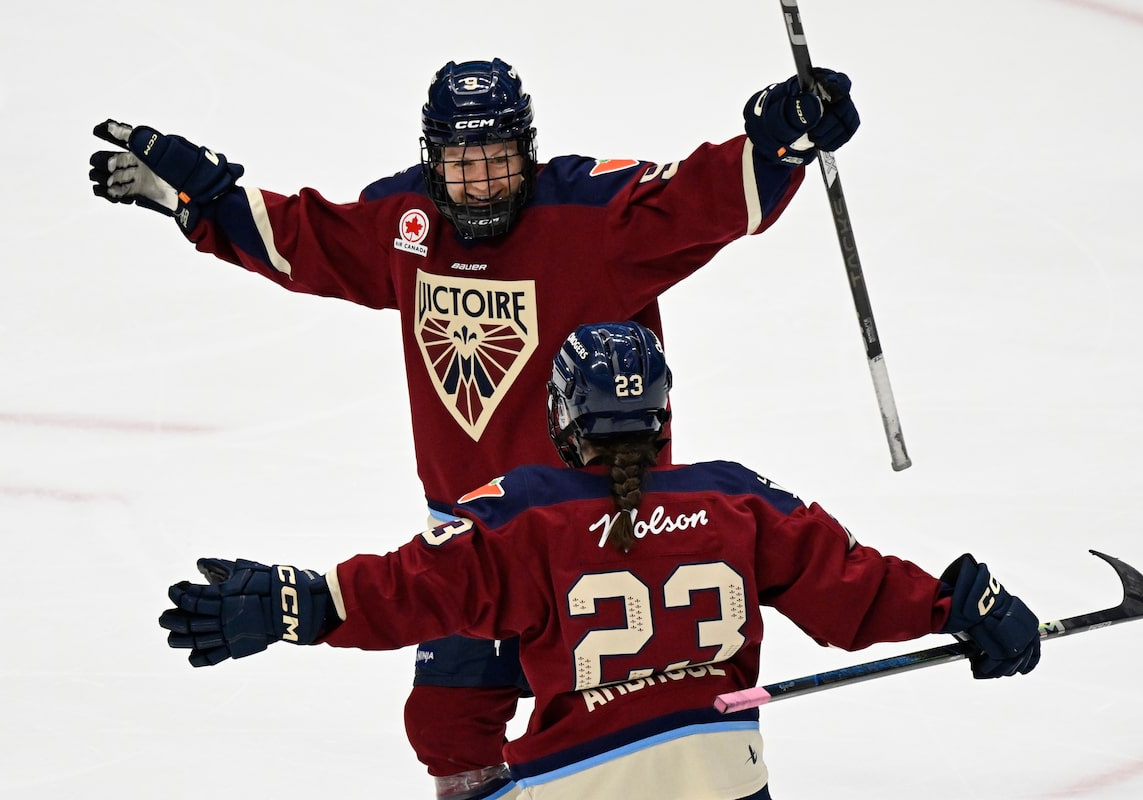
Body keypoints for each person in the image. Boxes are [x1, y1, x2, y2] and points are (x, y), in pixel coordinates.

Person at [92, 58, 863, 797]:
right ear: (432, 160)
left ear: (529, 152)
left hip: (597, 533)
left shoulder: (591, 217)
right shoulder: (409, 222)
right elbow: (309, 240)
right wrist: (206, 201)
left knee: (618, 729)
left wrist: (778, 143)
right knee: (446, 726)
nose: (482, 181)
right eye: (462, 163)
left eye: (498, 159)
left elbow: (699, 200)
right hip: (478, 540)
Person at [159, 321, 1043, 800]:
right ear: (661, 414)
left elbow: (415, 586)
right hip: (726, 773)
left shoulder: (525, 512)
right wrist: (961, 605)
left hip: (582, 781)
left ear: (560, 416)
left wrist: (302, 603)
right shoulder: (736, 498)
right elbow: (856, 584)